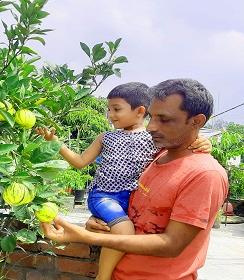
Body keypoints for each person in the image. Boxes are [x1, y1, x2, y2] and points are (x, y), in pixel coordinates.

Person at [40, 78, 229, 280]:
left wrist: (86, 236)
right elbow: (137, 213)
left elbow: (172, 244)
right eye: (152, 117)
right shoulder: (156, 156)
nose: (151, 127)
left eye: (164, 119)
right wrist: (100, 222)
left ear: (197, 121)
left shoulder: (204, 174)